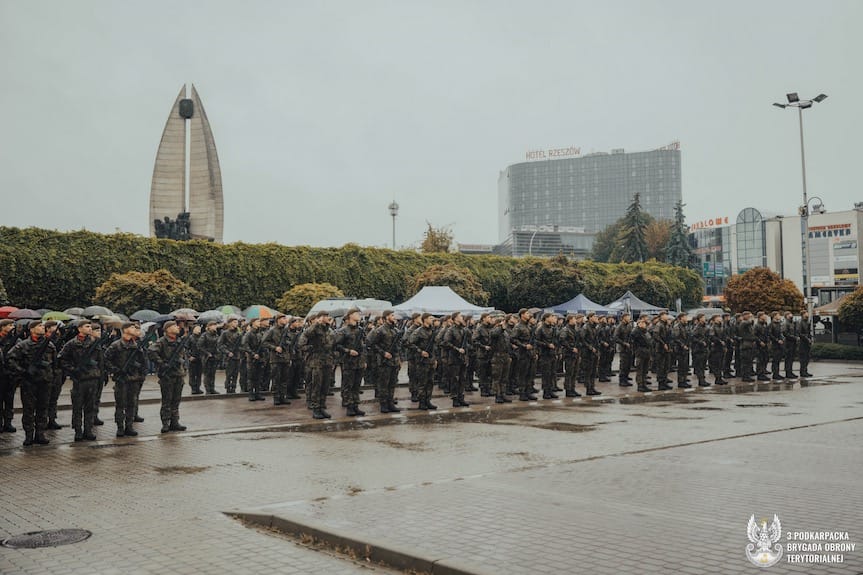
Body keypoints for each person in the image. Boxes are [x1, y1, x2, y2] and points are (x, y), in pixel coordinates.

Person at [7, 320, 57, 446]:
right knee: (28, 410)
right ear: (32, 329)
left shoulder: (49, 345)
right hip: (29, 383)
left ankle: (40, 434)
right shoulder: (23, 345)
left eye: (43, 326)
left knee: (43, 408)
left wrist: (53, 376)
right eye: (39, 326)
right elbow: (10, 358)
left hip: (45, 382)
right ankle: (29, 435)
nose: (42, 328)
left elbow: (55, 363)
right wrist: (23, 371)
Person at [58, 320, 104, 442]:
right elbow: (62, 359)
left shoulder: (95, 343)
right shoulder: (72, 343)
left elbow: (100, 361)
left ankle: (88, 430)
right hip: (79, 380)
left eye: (90, 326)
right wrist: (73, 370)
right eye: (87, 326)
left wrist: (100, 375)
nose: (90, 328)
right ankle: (78, 431)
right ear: (79, 329)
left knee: (90, 406)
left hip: (92, 379)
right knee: (77, 407)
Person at [104, 322, 147, 437]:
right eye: (132, 327)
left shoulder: (136, 346)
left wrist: (141, 375)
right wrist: (116, 370)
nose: (134, 329)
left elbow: (143, 362)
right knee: (120, 405)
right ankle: (120, 427)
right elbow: (105, 360)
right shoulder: (116, 345)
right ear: (125, 330)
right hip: (121, 380)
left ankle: (129, 426)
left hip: (134, 379)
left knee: (131, 404)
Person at [148, 320, 189, 433]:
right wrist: (162, 363)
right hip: (168, 376)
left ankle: (175, 422)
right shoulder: (162, 341)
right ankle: (165, 423)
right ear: (167, 329)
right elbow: (151, 352)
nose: (177, 327)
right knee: (167, 401)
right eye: (174, 326)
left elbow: (183, 356)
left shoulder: (179, 341)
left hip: (178, 375)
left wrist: (184, 369)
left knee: (176, 400)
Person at [368, 310, 403, 413]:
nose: (394, 317)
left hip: (394, 361)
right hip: (384, 362)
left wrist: (399, 359)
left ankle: (390, 403)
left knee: (392, 384)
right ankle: (383, 404)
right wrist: (383, 353)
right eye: (392, 315)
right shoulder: (379, 330)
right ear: (386, 317)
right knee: (383, 384)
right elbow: (370, 343)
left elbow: (399, 346)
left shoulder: (396, 330)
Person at [333, 308, 366, 416]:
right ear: (350, 315)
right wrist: (348, 351)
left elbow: (363, 346)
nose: (358, 315)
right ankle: (349, 406)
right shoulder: (343, 331)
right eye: (356, 313)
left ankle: (356, 405)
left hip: (359, 362)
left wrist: (364, 360)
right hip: (348, 361)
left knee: (357, 385)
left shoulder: (360, 330)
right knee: (348, 385)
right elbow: (336, 345)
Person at [302, 311, 334, 419]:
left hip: (327, 361)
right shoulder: (314, 329)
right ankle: (316, 409)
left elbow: (333, 344)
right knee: (317, 386)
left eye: (327, 316)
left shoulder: (328, 330)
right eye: (325, 316)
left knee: (325, 386)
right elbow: (304, 338)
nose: (327, 318)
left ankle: (321, 407)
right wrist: (316, 323)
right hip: (316, 362)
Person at [407, 312, 438, 410]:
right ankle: (422, 402)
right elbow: (409, 343)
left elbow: (434, 347)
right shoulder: (418, 331)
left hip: (431, 361)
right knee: (422, 382)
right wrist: (420, 351)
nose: (432, 320)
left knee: (430, 382)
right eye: (430, 318)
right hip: (421, 361)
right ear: (425, 319)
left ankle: (428, 400)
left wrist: (435, 359)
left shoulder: (432, 331)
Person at [262, 314, 291, 405]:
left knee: (284, 378)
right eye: (283, 318)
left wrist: (286, 343)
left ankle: (283, 396)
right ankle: (276, 397)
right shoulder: (272, 330)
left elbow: (290, 340)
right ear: (278, 320)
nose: (285, 320)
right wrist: (274, 348)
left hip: (285, 357)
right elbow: (264, 342)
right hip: (275, 358)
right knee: (276, 378)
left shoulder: (286, 330)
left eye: (285, 318)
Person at [242, 317, 268, 401]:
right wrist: (253, 354)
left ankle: (258, 393)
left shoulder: (260, 334)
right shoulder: (249, 334)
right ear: (252, 323)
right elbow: (245, 345)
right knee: (251, 377)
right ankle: (251, 394)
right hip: (251, 358)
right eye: (257, 321)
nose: (259, 323)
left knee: (258, 377)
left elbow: (263, 345)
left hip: (260, 358)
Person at [0, 318, 19, 433]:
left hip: (11, 374)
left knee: (9, 399)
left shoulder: (16, 340)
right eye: (10, 325)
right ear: (2, 327)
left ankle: (8, 423)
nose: (12, 326)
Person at [534, 313, 559, 399]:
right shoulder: (540, 329)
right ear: (546, 318)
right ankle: (546, 392)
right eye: (551, 317)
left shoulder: (553, 328)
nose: (553, 318)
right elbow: (536, 341)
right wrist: (547, 345)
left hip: (552, 353)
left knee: (552, 373)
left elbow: (556, 340)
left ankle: (551, 390)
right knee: (546, 374)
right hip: (544, 354)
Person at [557, 313, 582, 398]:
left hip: (575, 354)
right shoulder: (565, 330)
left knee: (575, 372)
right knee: (569, 372)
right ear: (570, 320)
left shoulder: (574, 329)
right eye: (574, 319)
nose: (575, 320)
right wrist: (571, 348)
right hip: (569, 354)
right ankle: (568, 390)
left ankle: (572, 388)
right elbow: (562, 340)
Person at [217, 317, 243, 393]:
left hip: (237, 356)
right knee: (229, 374)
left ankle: (233, 387)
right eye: (234, 322)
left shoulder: (239, 334)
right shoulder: (225, 333)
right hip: (229, 356)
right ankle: (228, 387)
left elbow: (242, 344)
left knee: (235, 374)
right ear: (230, 323)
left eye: (237, 322)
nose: (236, 323)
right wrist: (227, 352)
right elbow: (220, 344)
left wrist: (240, 350)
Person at [630, 316, 653, 392]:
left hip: (646, 352)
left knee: (645, 369)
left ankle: (644, 384)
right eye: (642, 323)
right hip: (640, 352)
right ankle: (640, 385)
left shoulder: (645, 331)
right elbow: (633, 338)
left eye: (644, 323)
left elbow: (649, 340)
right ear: (638, 323)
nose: (644, 324)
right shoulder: (636, 331)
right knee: (640, 369)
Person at [198, 321, 221, 395]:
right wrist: (207, 353)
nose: (215, 327)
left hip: (214, 357)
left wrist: (218, 353)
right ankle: (208, 389)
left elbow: (218, 345)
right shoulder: (204, 335)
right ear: (209, 327)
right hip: (206, 357)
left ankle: (212, 388)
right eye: (213, 325)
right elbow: (199, 346)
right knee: (207, 374)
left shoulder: (216, 335)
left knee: (213, 374)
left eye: (215, 325)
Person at [671, 312, 692, 388]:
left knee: (685, 366)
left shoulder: (686, 326)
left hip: (686, 348)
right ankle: (681, 381)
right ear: (680, 318)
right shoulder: (677, 326)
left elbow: (689, 336)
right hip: (680, 349)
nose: (686, 318)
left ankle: (684, 379)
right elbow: (676, 338)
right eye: (685, 317)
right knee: (681, 366)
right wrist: (683, 345)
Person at [708, 315, 728, 385]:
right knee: (717, 363)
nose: (720, 319)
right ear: (714, 320)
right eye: (718, 318)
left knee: (721, 363)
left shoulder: (722, 326)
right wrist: (719, 341)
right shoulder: (713, 327)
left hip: (721, 347)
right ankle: (718, 378)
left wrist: (725, 345)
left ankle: (720, 377)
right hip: (716, 348)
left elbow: (724, 336)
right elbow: (712, 337)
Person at [690, 313, 710, 387]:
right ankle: (701, 380)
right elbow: (692, 337)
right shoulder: (697, 327)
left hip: (704, 349)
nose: (704, 318)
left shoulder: (705, 326)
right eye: (703, 317)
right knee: (700, 366)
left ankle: (703, 380)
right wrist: (700, 342)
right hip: (698, 349)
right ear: (700, 319)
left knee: (703, 365)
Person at [614, 313, 633, 386]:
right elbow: (615, 337)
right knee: (623, 365)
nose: (629, 318)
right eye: (628, 317)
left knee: (628, 365)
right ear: (624, 318)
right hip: (623, 349)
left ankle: (626, 378)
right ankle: (622, 380)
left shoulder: (629, 326)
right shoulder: (619, 326)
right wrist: (624, 343)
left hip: (629, 348)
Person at [737, 311, 756, 382]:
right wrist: (751, 318)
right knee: (745, 362)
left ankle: (747, 375)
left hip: (749, 344)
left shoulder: (748, 324)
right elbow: (748, 323)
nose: (749, 316)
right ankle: (745, 376)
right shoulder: (743, 323)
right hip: (745, 345)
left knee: (749, 361)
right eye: (748, 315)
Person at [187, 324, 204, 394]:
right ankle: (193, 388)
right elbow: (186, 348)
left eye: (199, 328)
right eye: (197, 328)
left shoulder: (202, 337)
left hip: (200, 358)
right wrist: (189, 356)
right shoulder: (190, 338)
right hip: (193, 358)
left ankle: (198, 387)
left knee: (199, 374)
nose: (199, 330)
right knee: (192, 374)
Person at [768, 312, 785, 380]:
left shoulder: (779, 324)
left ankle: (777, 373)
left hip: (780, 344)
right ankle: (775, 374)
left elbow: (780, 333)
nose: (779, 316)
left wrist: (782, 339)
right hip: (775, 344)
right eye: (778, 315)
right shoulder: (771, 324)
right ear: (774, 316)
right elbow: (770, 334)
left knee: (778, 359)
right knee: (775, 359)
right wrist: (777, 340)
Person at [782, 312, 798, 379]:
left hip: (793, 342)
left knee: (791, 358)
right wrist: (794, 337)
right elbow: (785, 333)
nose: (791, 315)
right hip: (788, 343)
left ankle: (790, 372)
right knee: (788, 358)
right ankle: (788, 372)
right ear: (786, 316)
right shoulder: (786, 323)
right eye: (789, 314)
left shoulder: (792, 323)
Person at [798, 311, 813, 378]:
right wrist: (807, 338)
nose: (807, 314)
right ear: (803, 314)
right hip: (802, 342)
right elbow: (800, 333)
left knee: (807, 357)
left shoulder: (807, 322)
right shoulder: (800, 322)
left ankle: (805, 371)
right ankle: (802, 372)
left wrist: (811, 338)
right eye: (806, 313)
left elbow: (809, 332)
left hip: (807, 342)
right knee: (803, 358)